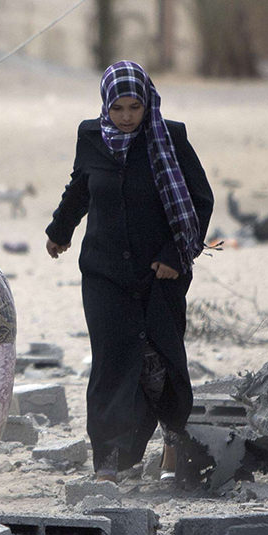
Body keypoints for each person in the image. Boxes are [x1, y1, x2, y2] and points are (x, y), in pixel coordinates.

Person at [45, 62, 214, 482]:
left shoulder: (170, 137)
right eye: (117, 107)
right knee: (112, 361)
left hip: (160, 275)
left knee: (161, 361)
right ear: (105, 104)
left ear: (147, 103)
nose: (125, 116)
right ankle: (110, 459)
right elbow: (81, 186)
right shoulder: (90, 135)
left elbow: (199, 199)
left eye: (134, 107)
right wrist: (60, 231)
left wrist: (176, 255)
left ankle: (172, 441)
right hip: (104, 271)